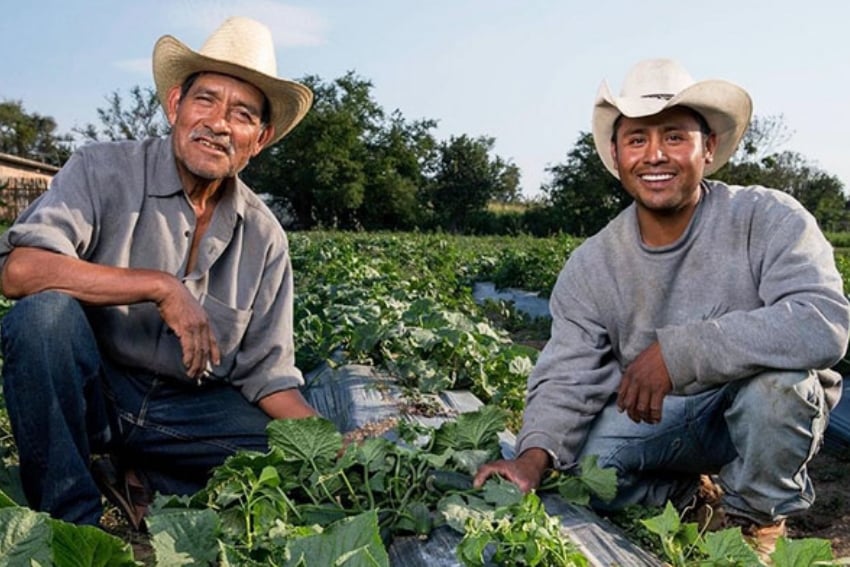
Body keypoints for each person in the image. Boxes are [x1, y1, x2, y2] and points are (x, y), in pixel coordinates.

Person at [474, 58, 850, 556]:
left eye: (674, 137)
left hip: (758, 417)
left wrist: (679, 354)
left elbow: (823, 322)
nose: (655, 156)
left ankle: (755, 521)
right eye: (637, 140)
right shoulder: (593, 265)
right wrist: (529, 458)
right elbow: (568, 372)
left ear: (707, 147)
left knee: (780, 388)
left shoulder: (767, 217)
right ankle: (690, 498)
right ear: (616, 153)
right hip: (664, 420)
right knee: (582, 467)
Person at [0, 16, 319, 529]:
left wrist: (328, 444)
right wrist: (160, 287)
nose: (218, 123)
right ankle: (69, 525)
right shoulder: (101, 169)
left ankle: (146, 474)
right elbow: (20, 270)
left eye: (241, 114)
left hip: (187, 412)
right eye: (205, 100)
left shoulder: (265, 238)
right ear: (175, 106)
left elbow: (269, 377)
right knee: (43, 319)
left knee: (296, 464)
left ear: (259, 139)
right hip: (98, 393)